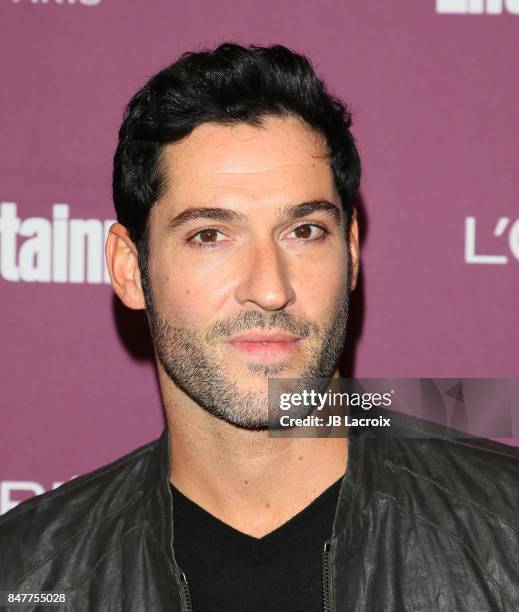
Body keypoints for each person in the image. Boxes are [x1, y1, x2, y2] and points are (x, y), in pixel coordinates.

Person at [1, 43, 518, 612]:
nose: (270, 288)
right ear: (130, 269)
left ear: (350, 252)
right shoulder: (27, 574)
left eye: (304, 231)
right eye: (210, 236)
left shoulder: (507, 536)